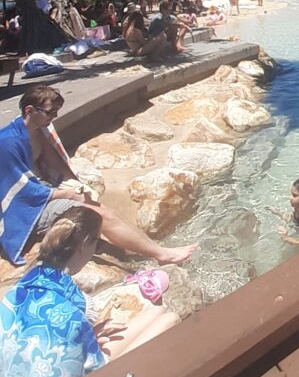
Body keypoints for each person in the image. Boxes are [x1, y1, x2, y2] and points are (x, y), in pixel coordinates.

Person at [0, 206, 179, 377]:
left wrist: (89, 337)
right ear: (85, 245)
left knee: (157, 313)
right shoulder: (73, 312)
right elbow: (95, 371)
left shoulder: (14, 294)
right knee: (169, 318)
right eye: (97, 243)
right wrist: (87, 338)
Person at [0, 86, 197, 267]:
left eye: (56, 112)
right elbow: (19, 191)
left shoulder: (37, 129)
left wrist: (75, 184)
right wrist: (67, 195)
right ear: (29, 110)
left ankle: (147, 247)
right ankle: (163, 255)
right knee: (98, 216)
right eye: (50, 112)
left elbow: (54, 162)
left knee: (100, 207)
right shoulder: (8, 143)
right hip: (28, 208)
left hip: (42, 192)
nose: (54, 117)